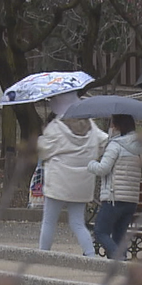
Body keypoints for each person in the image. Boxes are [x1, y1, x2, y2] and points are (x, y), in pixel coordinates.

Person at [37, 92, 108, 256]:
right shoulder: (90, 124)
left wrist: (42, 135)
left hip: (58, 182)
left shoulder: (56, 126)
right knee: (77, 223)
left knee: (49, 221)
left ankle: (43, 255)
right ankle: (90, 255)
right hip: (82, 183)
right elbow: (104, 142)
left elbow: (43, 151)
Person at [86, 114, 142, 259]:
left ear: (117, 127)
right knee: (120, 236)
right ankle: (120, 269)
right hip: (131, 199)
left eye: (112, 124)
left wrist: (91, 163)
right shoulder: (139, 147)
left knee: (100, 231)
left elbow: (103, 169)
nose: (110, 128)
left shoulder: (115, 145)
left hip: (114, 197)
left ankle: (119, 258)